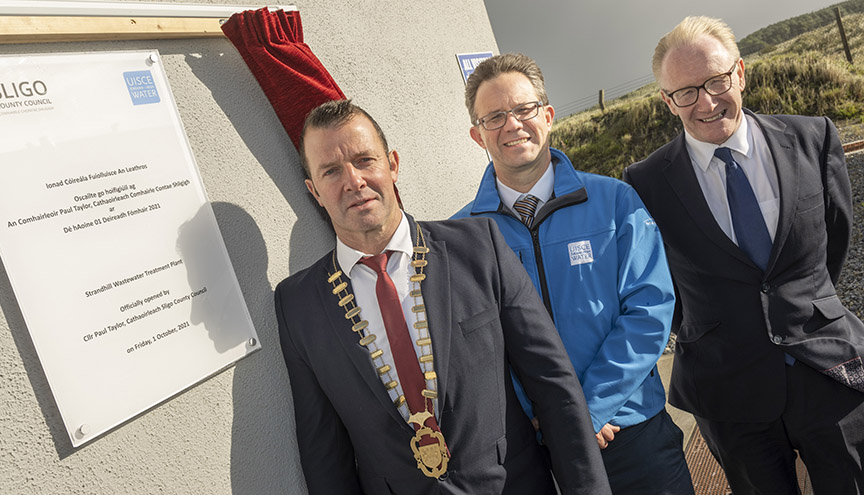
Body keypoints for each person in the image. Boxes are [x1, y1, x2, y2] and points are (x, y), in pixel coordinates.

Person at [274, 99, 611, 494]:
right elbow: (323, 452)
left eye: (365, 160)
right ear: (314, 190)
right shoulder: (298, 305)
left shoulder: (478, 247)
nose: (353, 180)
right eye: (331, 171)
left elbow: (553, 385)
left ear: (393, 164)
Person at [623, 16, 864, 494]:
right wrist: (712, 329)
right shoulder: (644, 183)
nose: (707, 102)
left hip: (829, 369)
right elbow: (659, 286)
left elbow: (835, 240)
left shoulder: (813, 138)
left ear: (741, 72)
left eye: (716, 81)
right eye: (686, 92)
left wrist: (805, 306)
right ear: (668, 102)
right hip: (727, 392)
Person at [453, 53, 693, 495]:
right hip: (536, 450)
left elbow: (649, 309)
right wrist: (548, 417)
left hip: (631, 430)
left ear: (547, 115)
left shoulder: (615, 201)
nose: (512, 124)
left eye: (524, 109)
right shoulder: (462, 236)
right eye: (495, 116)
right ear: (476, 134)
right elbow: (477, 350)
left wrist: (587, 409)